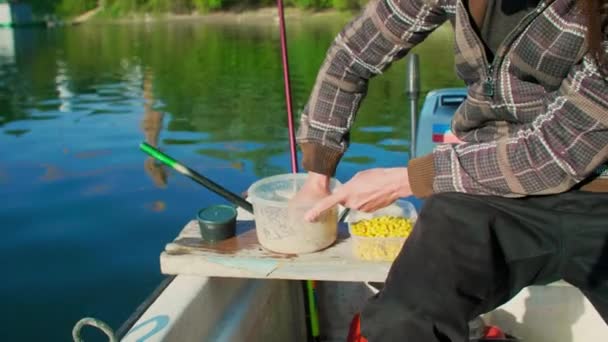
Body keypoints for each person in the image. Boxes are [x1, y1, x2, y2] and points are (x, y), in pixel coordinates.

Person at [292, 0, 608, 340]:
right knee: (400, 320)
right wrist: (317, 173)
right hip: (487, 192)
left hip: (597, 192)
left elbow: (557, 150)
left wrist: (409, 179)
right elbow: (353, 54)